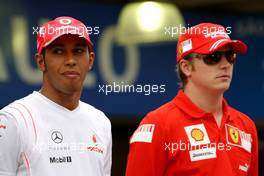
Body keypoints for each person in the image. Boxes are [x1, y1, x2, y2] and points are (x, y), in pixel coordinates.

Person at [126, 23, 258, 176]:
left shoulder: (246, 127)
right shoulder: (157, 125)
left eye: (230, 56)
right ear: (186, 67)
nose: (225, 65)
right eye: (213, 57)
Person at [0, 16, 112, 176]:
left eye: (78, 51)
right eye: (58, 51)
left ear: (91, 60)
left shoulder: (101, 122)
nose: (70, 60)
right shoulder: (13, 120)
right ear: (40, 61)